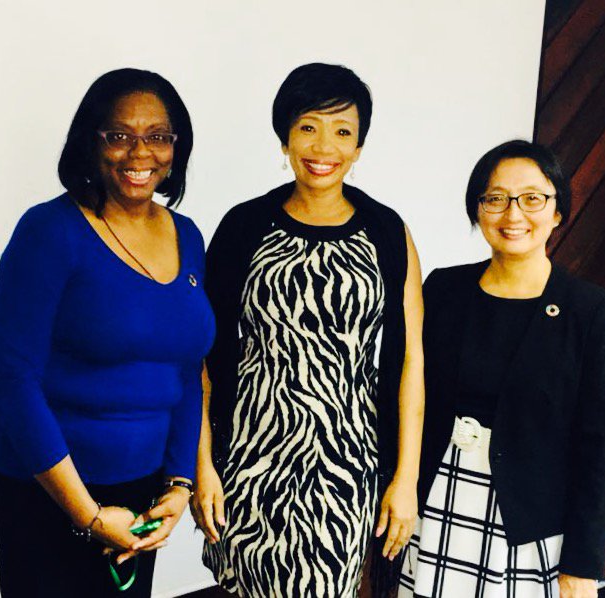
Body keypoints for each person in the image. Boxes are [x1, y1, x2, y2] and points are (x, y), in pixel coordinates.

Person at [193, 63, 425, 597]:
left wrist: (404, 479)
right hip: (248, 464)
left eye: (343, 131)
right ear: (285, 137)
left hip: (345, 473)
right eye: (308, 127)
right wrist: (201, 466)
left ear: (360, 147)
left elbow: (412, 360)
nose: (324, 146)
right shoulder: (242, 227)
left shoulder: (387, 233)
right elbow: (203, 359)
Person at [0, 68, 215, 597]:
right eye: (120, 135)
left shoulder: (187, 235)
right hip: (47, 489)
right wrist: (86, 514)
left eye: (158, 136)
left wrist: (179, 484)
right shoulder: (49, 232)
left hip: (141, 492)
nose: (141, 153)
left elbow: (186, 370)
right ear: (92, 141)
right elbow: (14, 385)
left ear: (176, 147)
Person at [399, 140, 605, 598]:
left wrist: (584, 564)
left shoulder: (592, 310)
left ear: (557, 211)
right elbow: (409, 392)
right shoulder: (444, 289)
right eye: (496, 198)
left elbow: (601, 445)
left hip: (529, 516)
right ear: (478, 209)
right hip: (441, 497)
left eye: (532, 198)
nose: (513, 215)